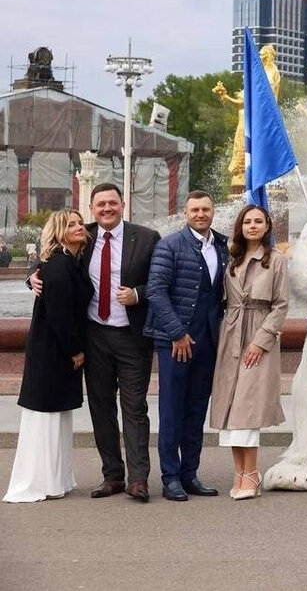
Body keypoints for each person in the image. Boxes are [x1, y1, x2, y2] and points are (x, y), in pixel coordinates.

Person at [28, 184, 162, 501]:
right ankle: (112, 476)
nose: (106, 209)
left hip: (132, 337)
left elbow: (160, 280)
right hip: (94, 337)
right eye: (100, 204)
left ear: (123, 204)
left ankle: (138, 479)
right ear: (92, 207)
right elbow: (47, 254)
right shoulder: (81, 235)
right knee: (101, 408)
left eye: (112, 203)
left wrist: (138, 294)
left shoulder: (146, 237)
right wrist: (32, 274)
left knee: (134, 409)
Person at [144, 191, 228, 502]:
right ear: (186, 212)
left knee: (195, 411)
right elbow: (156, 291)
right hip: (176, 342)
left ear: (213, 212)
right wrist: (177, 333)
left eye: (206, 209)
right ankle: (170, 477)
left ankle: (190, 474)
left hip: (207, 340)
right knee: (171, 410)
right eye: (195, 209)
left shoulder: (221, 245)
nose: (201, 214)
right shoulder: (170, 245)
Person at [4, 210, 91, 502]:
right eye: (71, 224)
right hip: (53, 352)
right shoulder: (57, 265)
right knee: (45, 416)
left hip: (55, 351)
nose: (79, 227)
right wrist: (75, 350)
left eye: (80, 223)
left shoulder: (68, 260)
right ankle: (39, 481)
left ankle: (54, 479)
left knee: (56, 416)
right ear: (58, 231)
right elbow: (59, 314)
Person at [208, 205, 288, 500]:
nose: (253, 226)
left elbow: (281, 305)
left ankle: (252, 473)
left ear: (267, 226)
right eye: (247, 221)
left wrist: (260, 341)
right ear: (240, 226)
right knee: (229, 408)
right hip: (230, 333)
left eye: (258, 221)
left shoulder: (276, 260)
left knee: (247, 407)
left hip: (257, 331)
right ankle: (240, 472)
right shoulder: (232, 259)